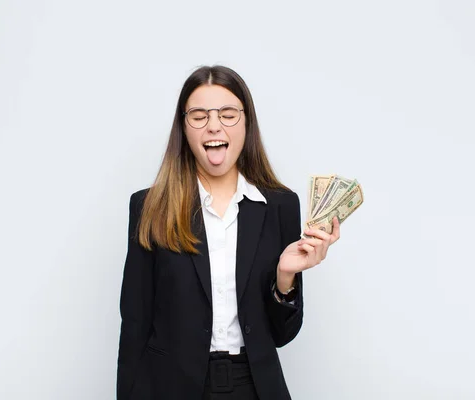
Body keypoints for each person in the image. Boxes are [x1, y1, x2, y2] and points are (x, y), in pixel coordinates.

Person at [116, 65, 340, 400]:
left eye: (228, 114)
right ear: (183, 126)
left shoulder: (280, 205)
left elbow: (282, 335)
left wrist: (285, 278)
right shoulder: (149, 206)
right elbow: (135, 324)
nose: (214, 125)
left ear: (247, 123)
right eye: (199, 115)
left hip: (254, 386)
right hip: (168, 386)